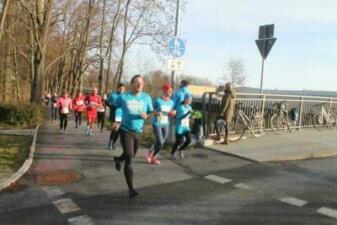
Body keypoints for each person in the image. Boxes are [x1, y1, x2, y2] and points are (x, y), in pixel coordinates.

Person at [112, 74, 153, 198]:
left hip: (138, 131)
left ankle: (118, 159)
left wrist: (146, 116)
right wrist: (117, 121)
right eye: (136, 82)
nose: (139, 85)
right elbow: (116, 107)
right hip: (125, 130)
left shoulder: (146, 97)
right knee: (129, 158)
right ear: (132, 84)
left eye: (141, 83)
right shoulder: (124, 97)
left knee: (132, 154)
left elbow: (150, 112)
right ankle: (131, 189)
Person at [145, 83, 175, 165]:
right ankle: (151, 155)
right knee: (160, 142)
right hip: (157, 123)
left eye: (171, 91)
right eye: (169, 91)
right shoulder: (158, 101)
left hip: (165, 124)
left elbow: (170, 113)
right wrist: (157, 113)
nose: (170, 93)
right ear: (164, 90)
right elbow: (151, 110)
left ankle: (152, 156)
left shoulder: (171, 102)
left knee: (161, 142)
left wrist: (173, 113)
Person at [171, 93, 193, 160]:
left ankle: (181, 149)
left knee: (189, 140)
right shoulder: (180, 107)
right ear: (185, 99)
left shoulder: (190, 107)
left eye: (190, 99)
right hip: (179, 126)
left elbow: (189, 116)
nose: (189, 100)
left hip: (186, 127)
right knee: (178, 141)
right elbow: (180, 118)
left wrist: (193, 117)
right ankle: (173, 152)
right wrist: (188, 113)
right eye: (188, 99)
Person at [106, 83, 125, 149]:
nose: (122, 90)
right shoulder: (113, 95)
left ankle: (113, 143)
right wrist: (112, 106)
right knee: (115, 129)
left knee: (119, 131)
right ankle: (110, 143)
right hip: (114, 115)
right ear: (118, 88)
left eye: (123, 89)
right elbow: (106, 102)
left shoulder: (124, 96)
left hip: (121, 116)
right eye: (121, 89)